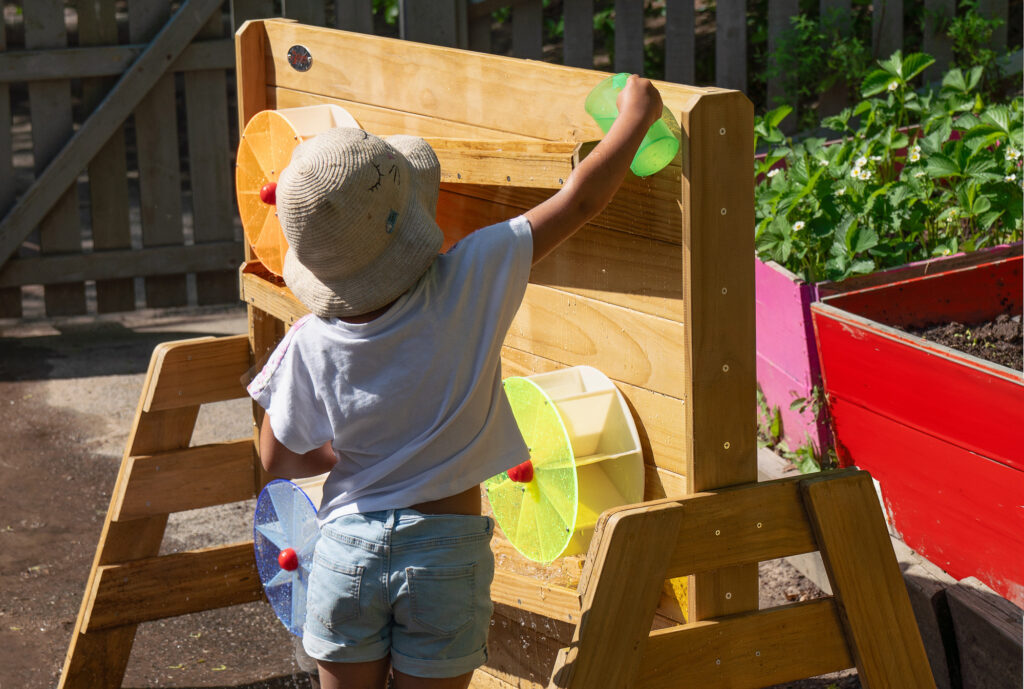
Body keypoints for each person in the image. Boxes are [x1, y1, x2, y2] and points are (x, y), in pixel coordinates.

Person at [247, 75, 664, 689]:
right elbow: (579, 202)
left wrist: (349, 447)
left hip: (344, 554)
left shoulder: (309, 342)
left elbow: (276, 459)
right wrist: (636, 117)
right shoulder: (471, 276)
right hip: (445, 554)